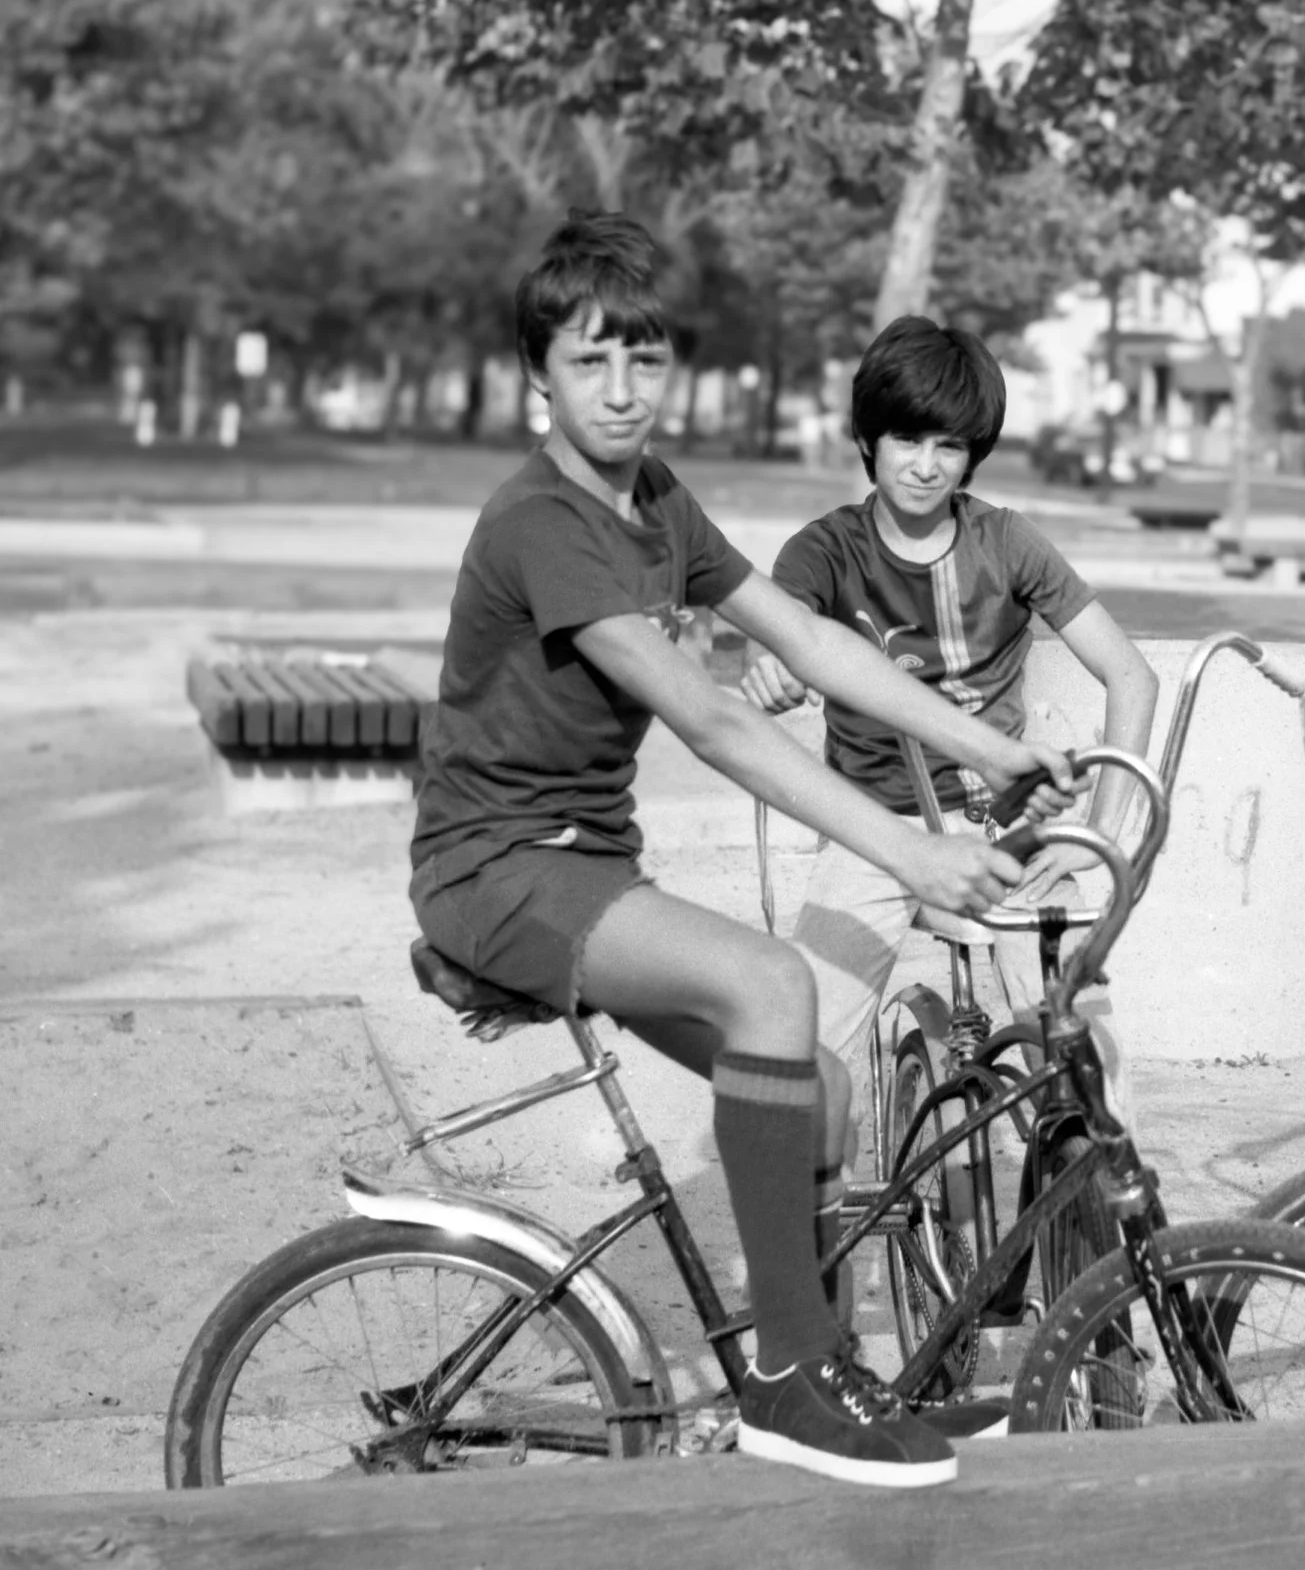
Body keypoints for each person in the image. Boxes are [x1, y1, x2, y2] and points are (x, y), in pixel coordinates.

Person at [410, 212, 1075, 1489]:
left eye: (644, 362)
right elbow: (710, 714)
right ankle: (785, 1383)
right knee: (774, 983)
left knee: (819, 1087)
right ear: (537, 376)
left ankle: (819, 1362)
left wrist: (989, 757)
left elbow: (820, 646)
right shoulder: (542, 519)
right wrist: (904, 849)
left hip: (589, 862)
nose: (621, 390)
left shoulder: (655, 499)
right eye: (591, 362)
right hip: (494, 867)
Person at [743, 316, 1160, 1199]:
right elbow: (776, 637)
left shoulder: (1006, 542)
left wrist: (1100, 833)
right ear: (867, 439)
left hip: (1007, 831)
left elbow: (1131, 673)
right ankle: (816, 1276)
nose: (926, 464)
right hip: (876, 829)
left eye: (950, 444)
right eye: (905, 438)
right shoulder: (824, 551)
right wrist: (770, 668)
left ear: (974, 455)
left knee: (1088, 1064)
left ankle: (1101, 1283)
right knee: (806, 1048)